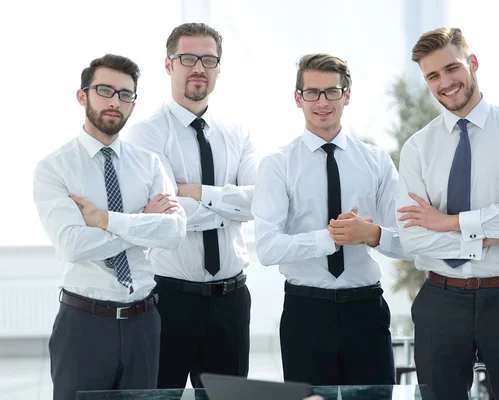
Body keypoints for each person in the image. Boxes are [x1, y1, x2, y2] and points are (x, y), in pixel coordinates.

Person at [396, 27, 499, 400]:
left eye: (452, 68)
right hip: (441, 301)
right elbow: (413, 236)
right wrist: (491, 233)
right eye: (433, 76)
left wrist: (450, 223)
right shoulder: (418, 148)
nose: (445, 83)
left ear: (473, 63)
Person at [33, 54, 187, 400]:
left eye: (125, 94)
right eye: (105, 90)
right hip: (84, 323)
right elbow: (73, 244)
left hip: (143, 322)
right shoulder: (55, 168)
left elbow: (174, 233)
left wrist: (105, 220)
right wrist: (142, 220)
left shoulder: (149, 164)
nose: (115, 101)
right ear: (82, 95)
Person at [252, 53, 410, 386]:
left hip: (366, 310)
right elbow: (267, 248)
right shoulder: (277, 165)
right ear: (298, 98)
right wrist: (330, 238)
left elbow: (409, 241)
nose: (322, 102)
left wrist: (372, 234)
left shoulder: (377, 161)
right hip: (306, 313)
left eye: (331, 92)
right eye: (312, 92)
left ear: (347, 94)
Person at [126, 22, 257, 389]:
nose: (198, 68)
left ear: (219, 67)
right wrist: (229, 202)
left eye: (208, 59)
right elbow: (169, 216)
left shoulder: (237, 132)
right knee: (160, 395)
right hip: (170, 301)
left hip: (231, 301)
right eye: (188, 58)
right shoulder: (147, 132)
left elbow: (259, 203)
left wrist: (196, 192)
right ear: (169, 65)